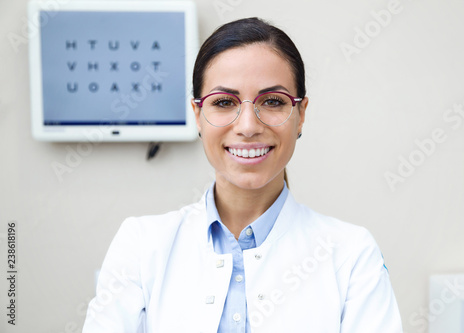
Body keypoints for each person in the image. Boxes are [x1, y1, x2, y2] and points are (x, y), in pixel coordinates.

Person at [82, 17, 402, 333]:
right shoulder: (141, 245)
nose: (248, 126)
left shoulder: (352, 254)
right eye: (223, 102)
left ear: (300, 114)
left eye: (273, 101)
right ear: (198, 115)